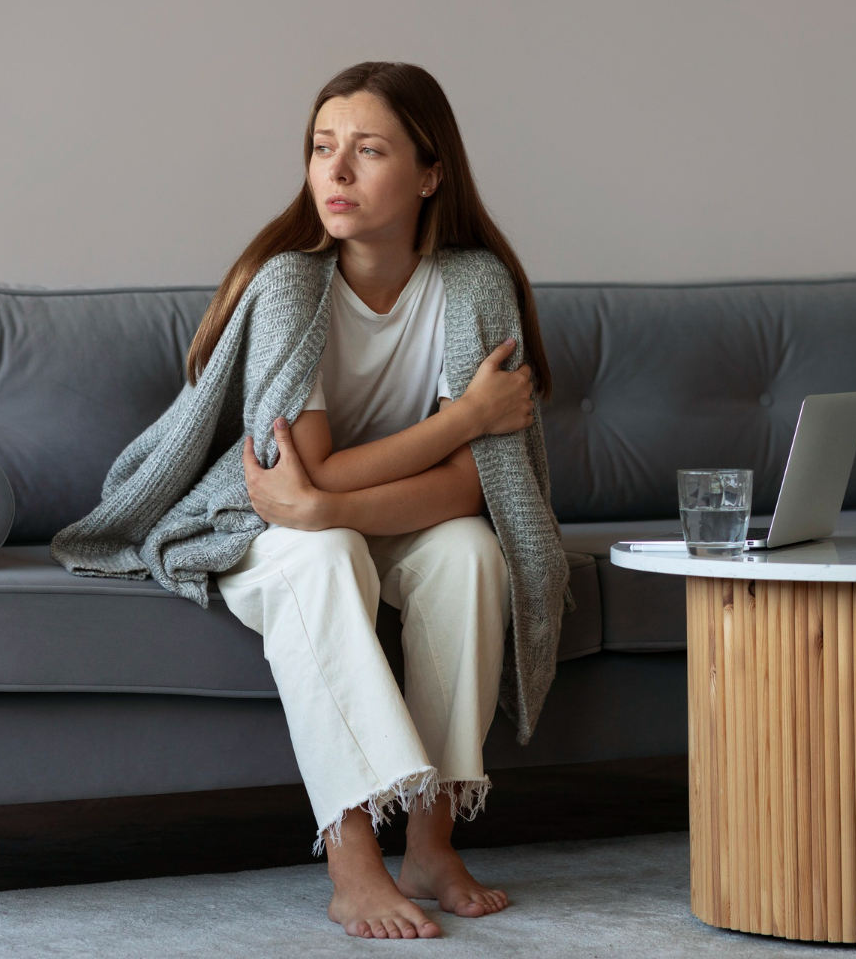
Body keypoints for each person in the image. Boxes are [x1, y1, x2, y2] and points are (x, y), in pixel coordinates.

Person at [52, 62, 570, 940]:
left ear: (430, 172)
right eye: (322, 148)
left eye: (368, 151)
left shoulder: (475, 285)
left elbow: (467, 483)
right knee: (324, 555)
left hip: (350, 517)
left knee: (474, 552)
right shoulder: (294, 282)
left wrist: (343, 500)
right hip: (255, 521)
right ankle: (353, 858)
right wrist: (466, 419)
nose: (336, 172)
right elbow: (302, 474)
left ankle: (434, 844)